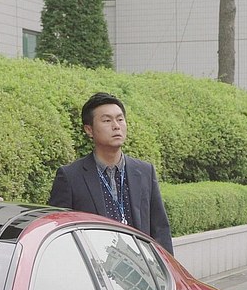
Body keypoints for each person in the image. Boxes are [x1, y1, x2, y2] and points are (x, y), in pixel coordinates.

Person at [48, 92, 174, 254]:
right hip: (93, 265)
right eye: (107, 120)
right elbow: (59, 235)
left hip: (141, 265)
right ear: (89, 130)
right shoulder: (70, 177)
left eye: (120, 119)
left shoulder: (144, 172)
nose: (116, 126)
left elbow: (160, 229)